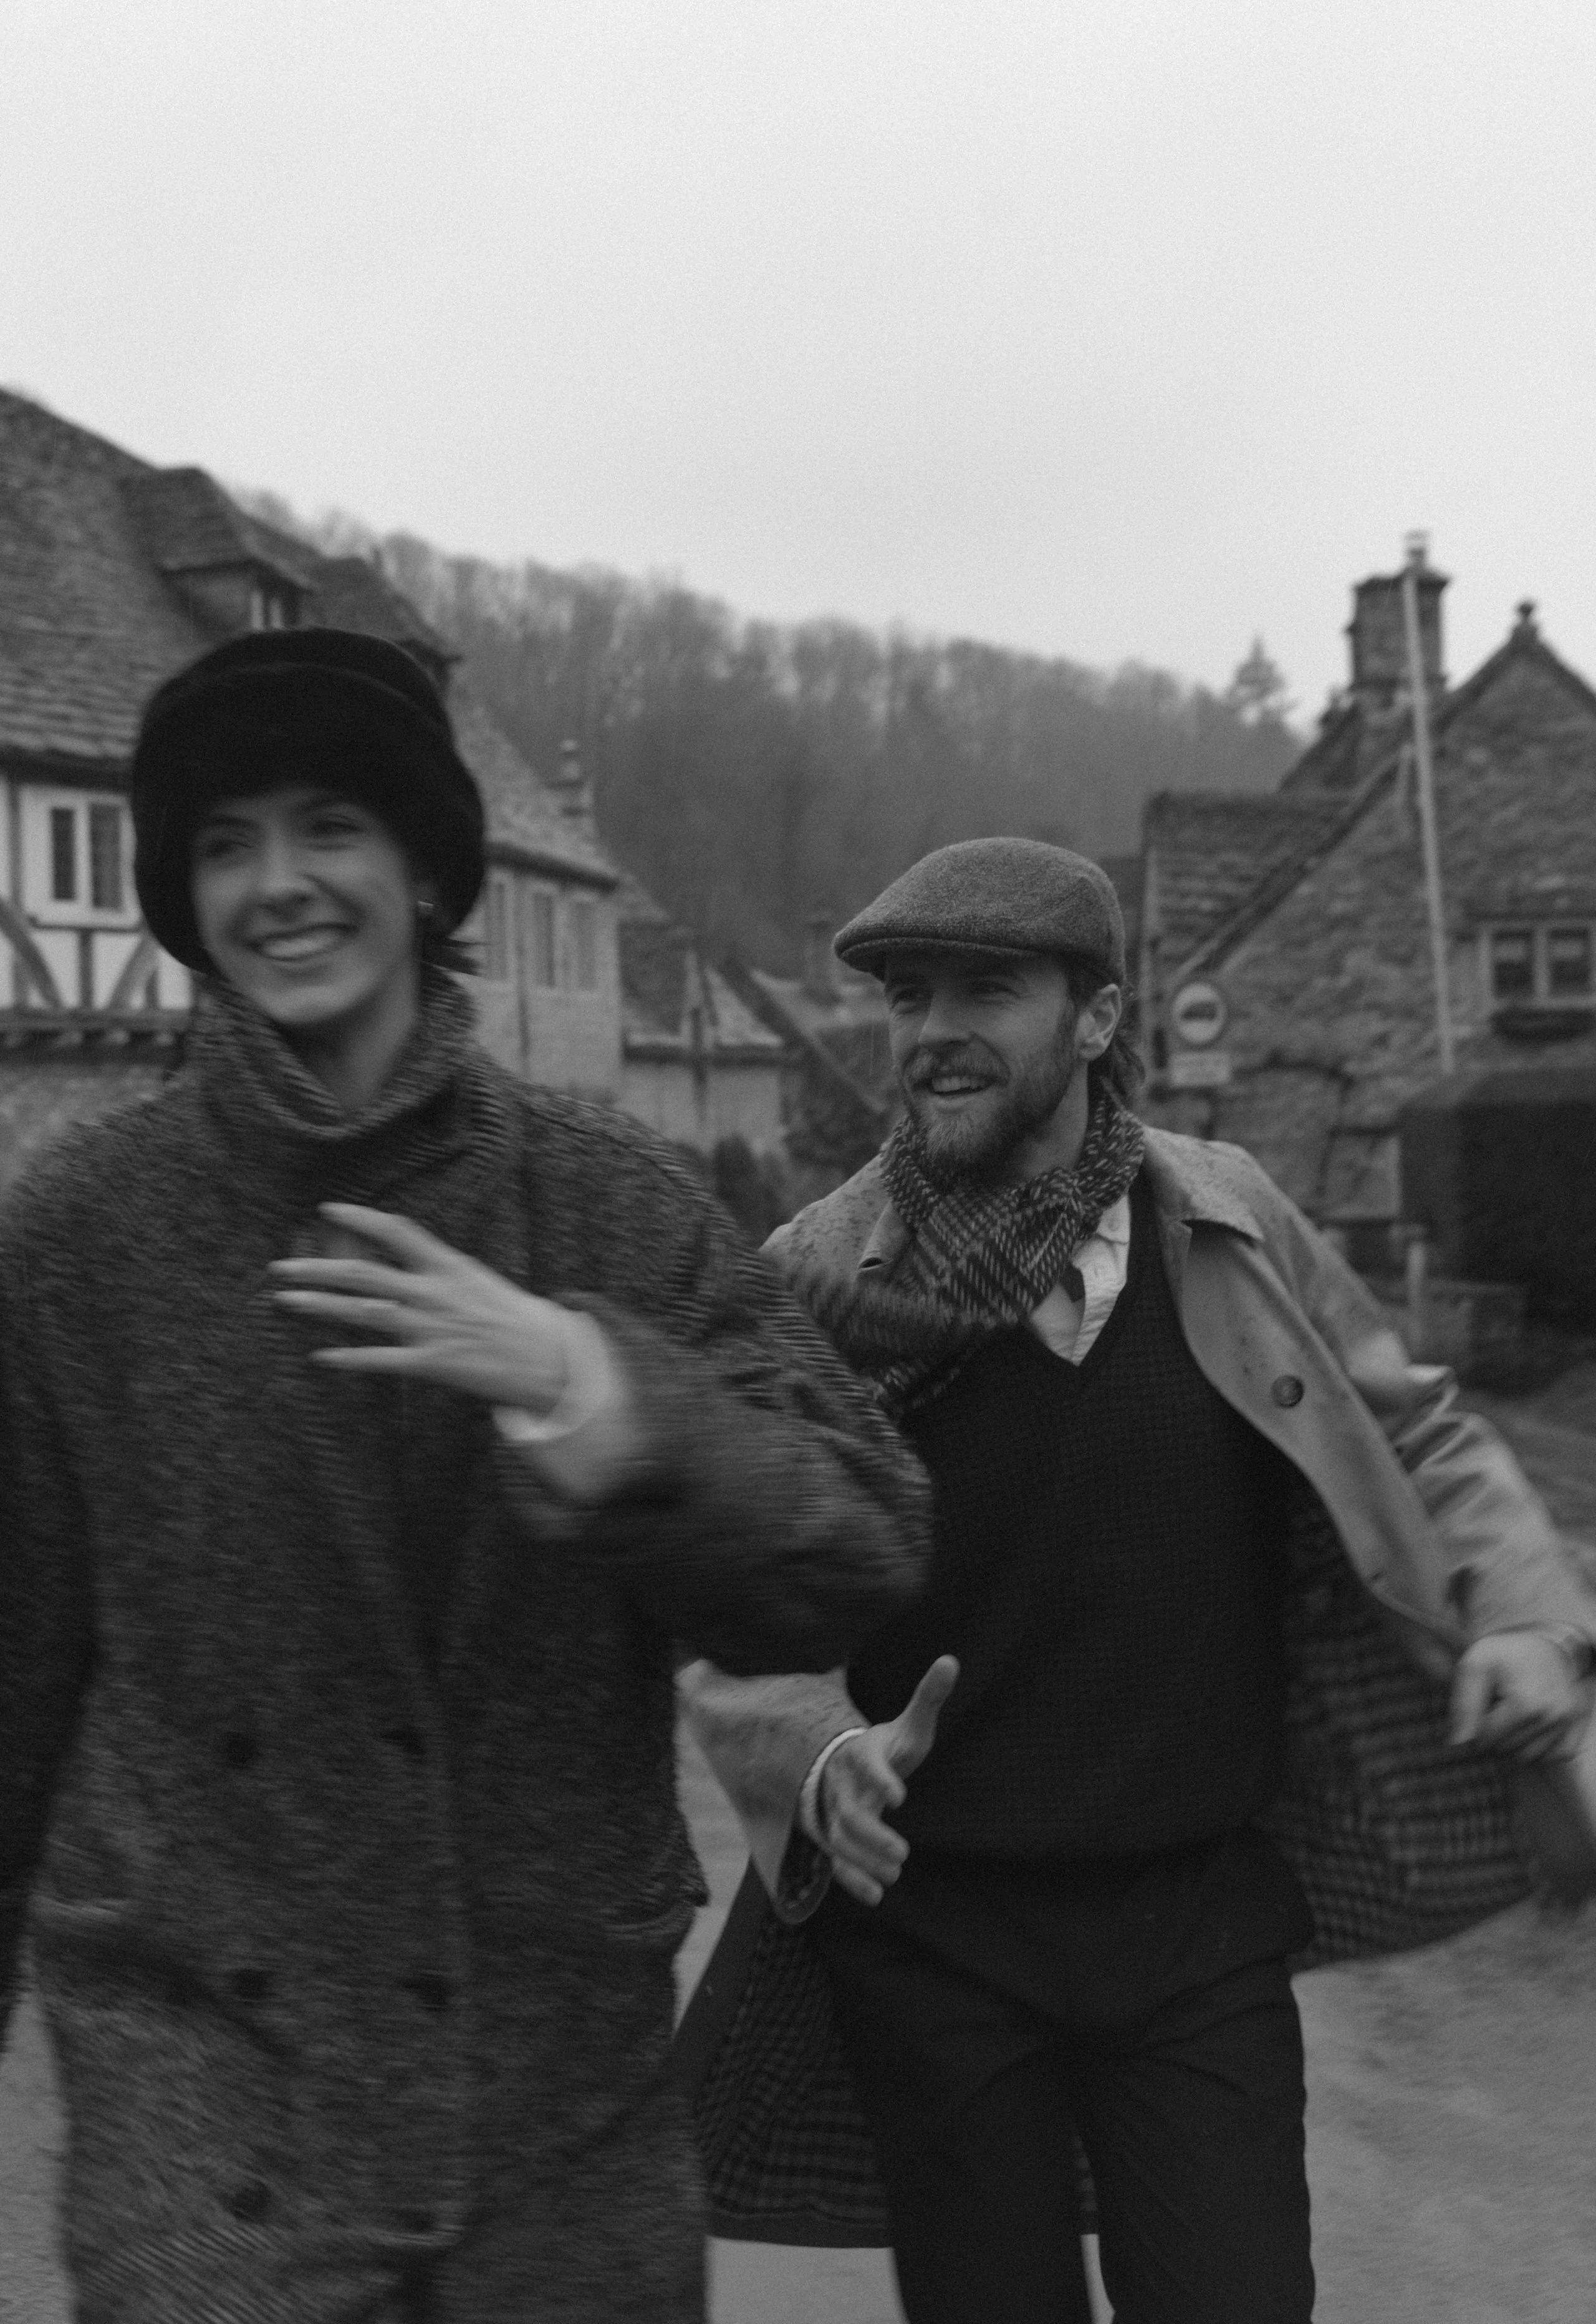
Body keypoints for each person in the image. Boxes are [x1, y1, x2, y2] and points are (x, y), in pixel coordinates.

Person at [0, 627, 931, 2324]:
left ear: (427, 869)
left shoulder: (609, 1205)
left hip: (557, 2125)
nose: (280, 884)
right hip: (211, 2139)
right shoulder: (78, 1238)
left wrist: (606, 1394)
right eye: (226, 843)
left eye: (330, 827)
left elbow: (863, 1540)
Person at [679, 835, 1596, 2324]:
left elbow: (1415, 1431)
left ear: (1097, 1015)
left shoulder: (1224, 1217)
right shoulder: (820, 1276)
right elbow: (732, 1594)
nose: (931, 1032)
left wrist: (1524, 1617)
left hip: (1196, 1926)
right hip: (932, 1936)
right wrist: (818, 1749)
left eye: (984, 990)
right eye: (909, 996)